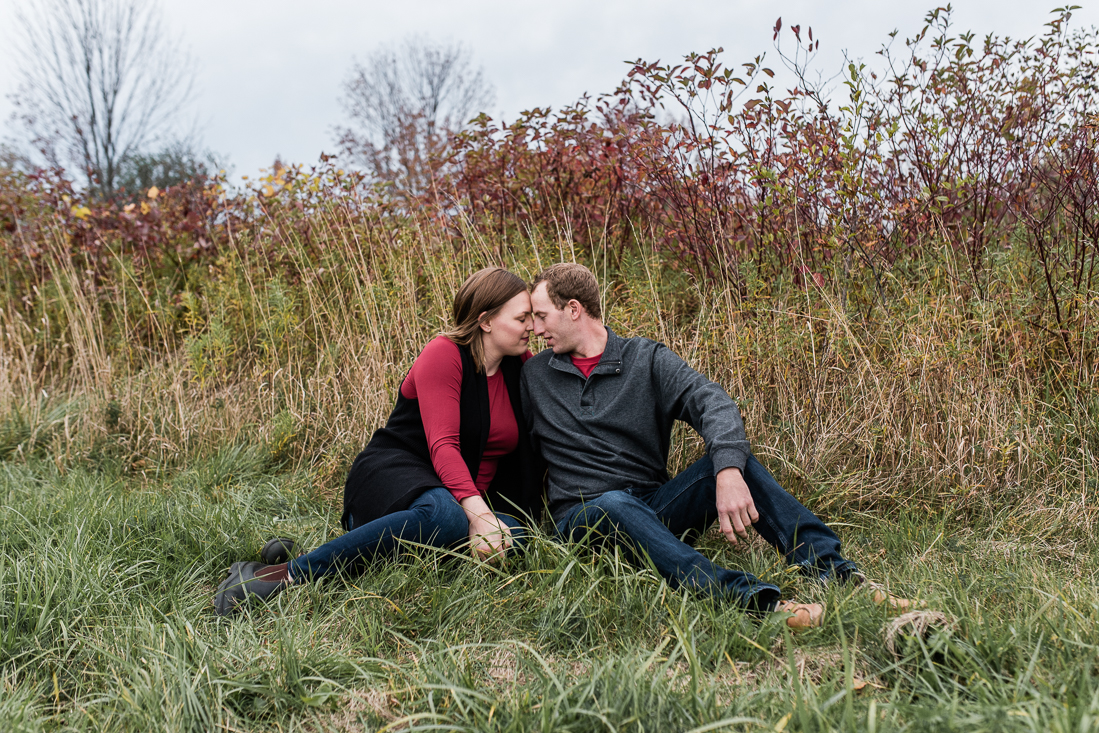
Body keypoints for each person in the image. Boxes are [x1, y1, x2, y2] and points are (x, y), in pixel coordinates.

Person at [520, 263, 907, 628]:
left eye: (541, 316)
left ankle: (837, 574)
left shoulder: (645, 359)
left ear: (573, 309)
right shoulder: (534, 375)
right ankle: (755, 602)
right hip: (584, 520)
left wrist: (727, 471)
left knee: (734, 463)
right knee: (612, 504)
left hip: (652, 509)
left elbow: (711, 401)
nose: (536, 330)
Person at [215, 267, 543, 616]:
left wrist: (488, 519)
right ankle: (281, 574)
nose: (532, 327)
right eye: (522, 318)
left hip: (466, 500)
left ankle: (354, 550)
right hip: (398, 478)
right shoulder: (444, 354)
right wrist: (479, 516)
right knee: (445, 517)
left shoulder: (521, 366)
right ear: (486, 321)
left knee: (515, 535)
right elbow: (443, 446)